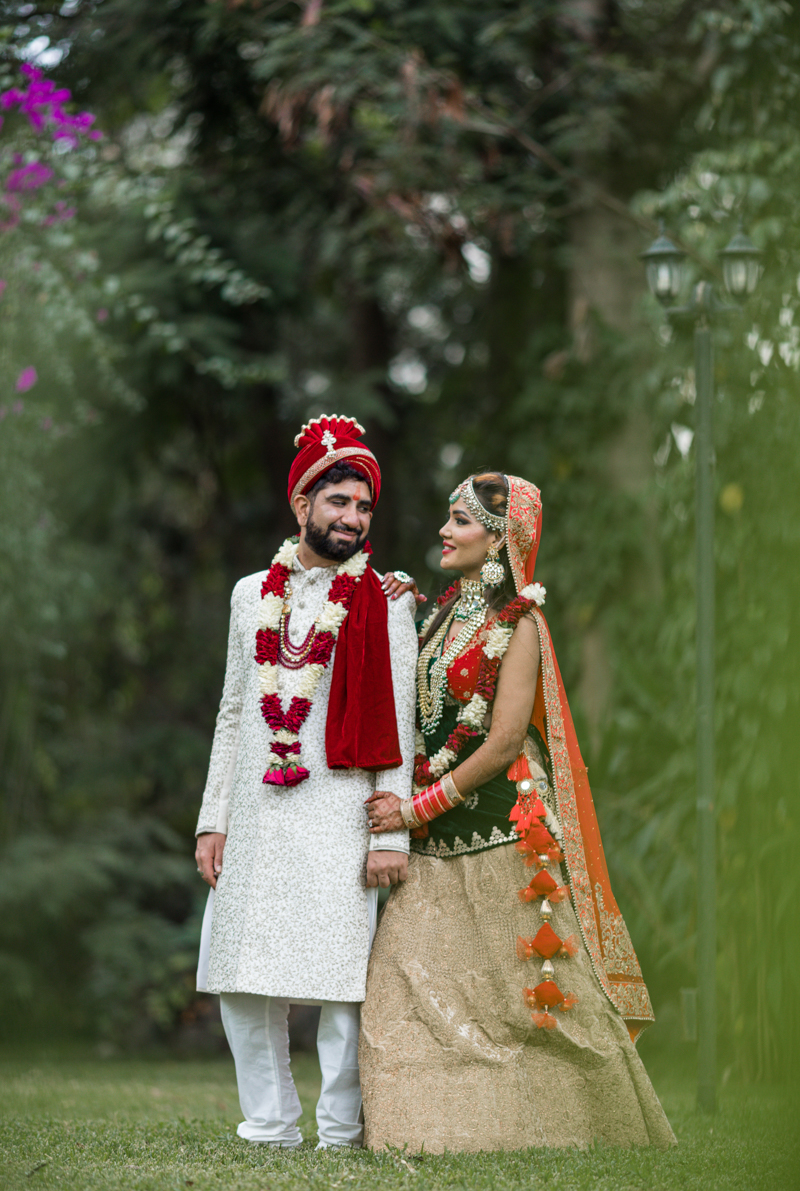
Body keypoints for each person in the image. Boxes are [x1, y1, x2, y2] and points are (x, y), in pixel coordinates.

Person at [362, 472, 676, 1152]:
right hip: (432, 838)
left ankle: (591, 1126)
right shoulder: (442, 613)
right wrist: (399, 607)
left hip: (507, 834)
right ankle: (420, 1129)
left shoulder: (522, 622)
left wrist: (418, 808)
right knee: (398, 986)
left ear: (502, 538)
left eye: (461, 522)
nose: (444, 531)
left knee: (535, 1000)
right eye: (447, 518)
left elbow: (503, 740)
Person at [194, 414, 419, 1149]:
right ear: (302, 506)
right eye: (339, 503)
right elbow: (233, 712)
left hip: (342, 808)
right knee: (240, 971)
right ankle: (269, 1125)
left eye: (363, 506)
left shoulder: (384, 602)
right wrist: (212, 819)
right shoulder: (248, 594)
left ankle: (339, 1127)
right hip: (257, 810)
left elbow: (400, 722)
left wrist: (394, 833)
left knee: (342, 980)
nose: (353, 518)